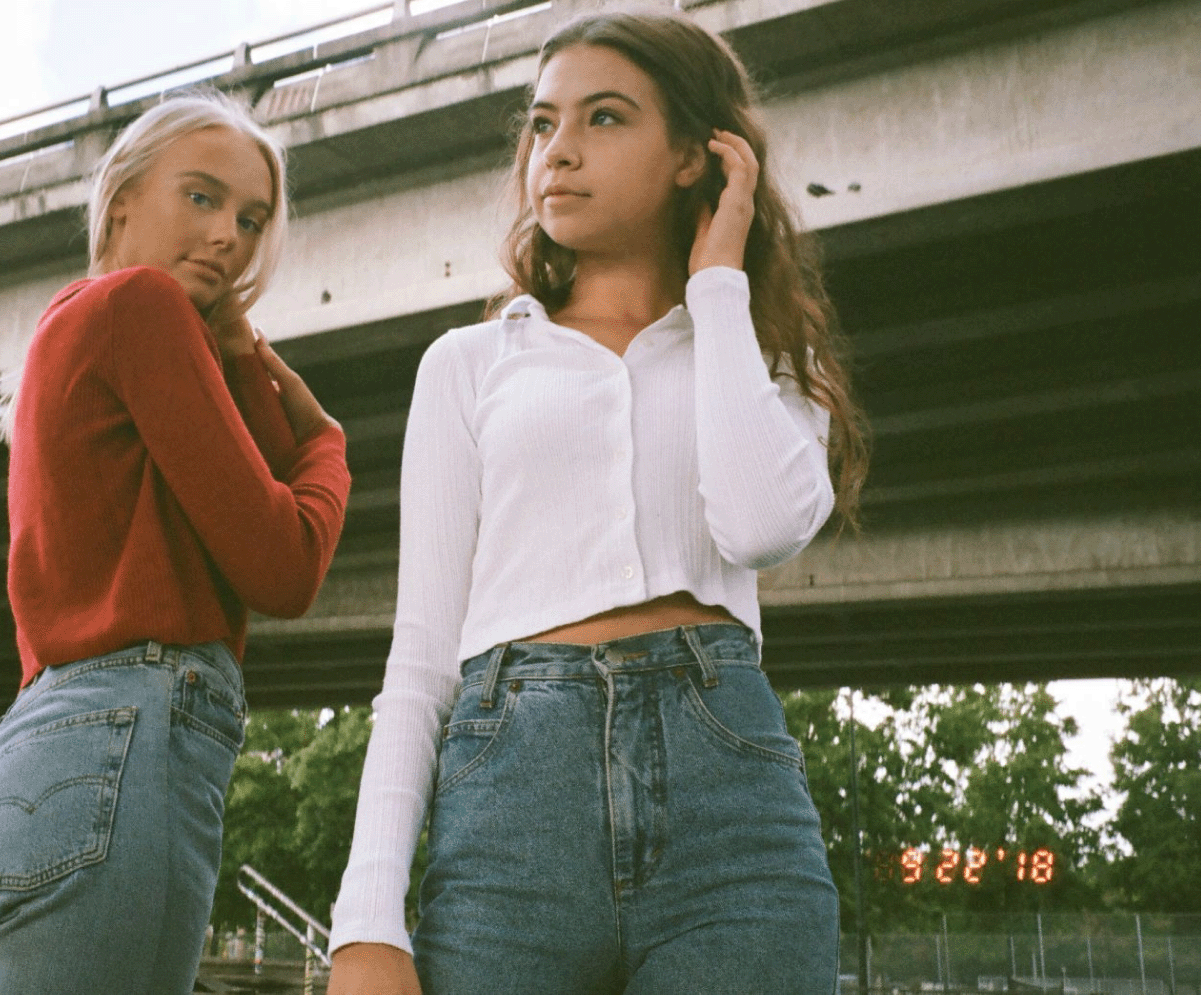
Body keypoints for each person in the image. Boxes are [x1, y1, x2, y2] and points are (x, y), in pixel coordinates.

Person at [326, 10, 868, 995]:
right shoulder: (468, 365)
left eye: (605, 118)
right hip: (509, 814)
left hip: (731, 819)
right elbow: (420, 654)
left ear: (698, 159)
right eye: (541, 123)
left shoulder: (764, 362)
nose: (557, 151)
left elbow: (761, 525)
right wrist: (366, 917)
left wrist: (716, 288)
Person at [0, 89, 352, 995]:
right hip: (118, 753)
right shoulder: (143, 305)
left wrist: (238, 353)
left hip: (18, 769)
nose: (229, 238)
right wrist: (331, 449)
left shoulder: (70, 326)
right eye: (200, 198)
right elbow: (283, 566)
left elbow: (239, 480)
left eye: (251, 218)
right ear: (120, 197)